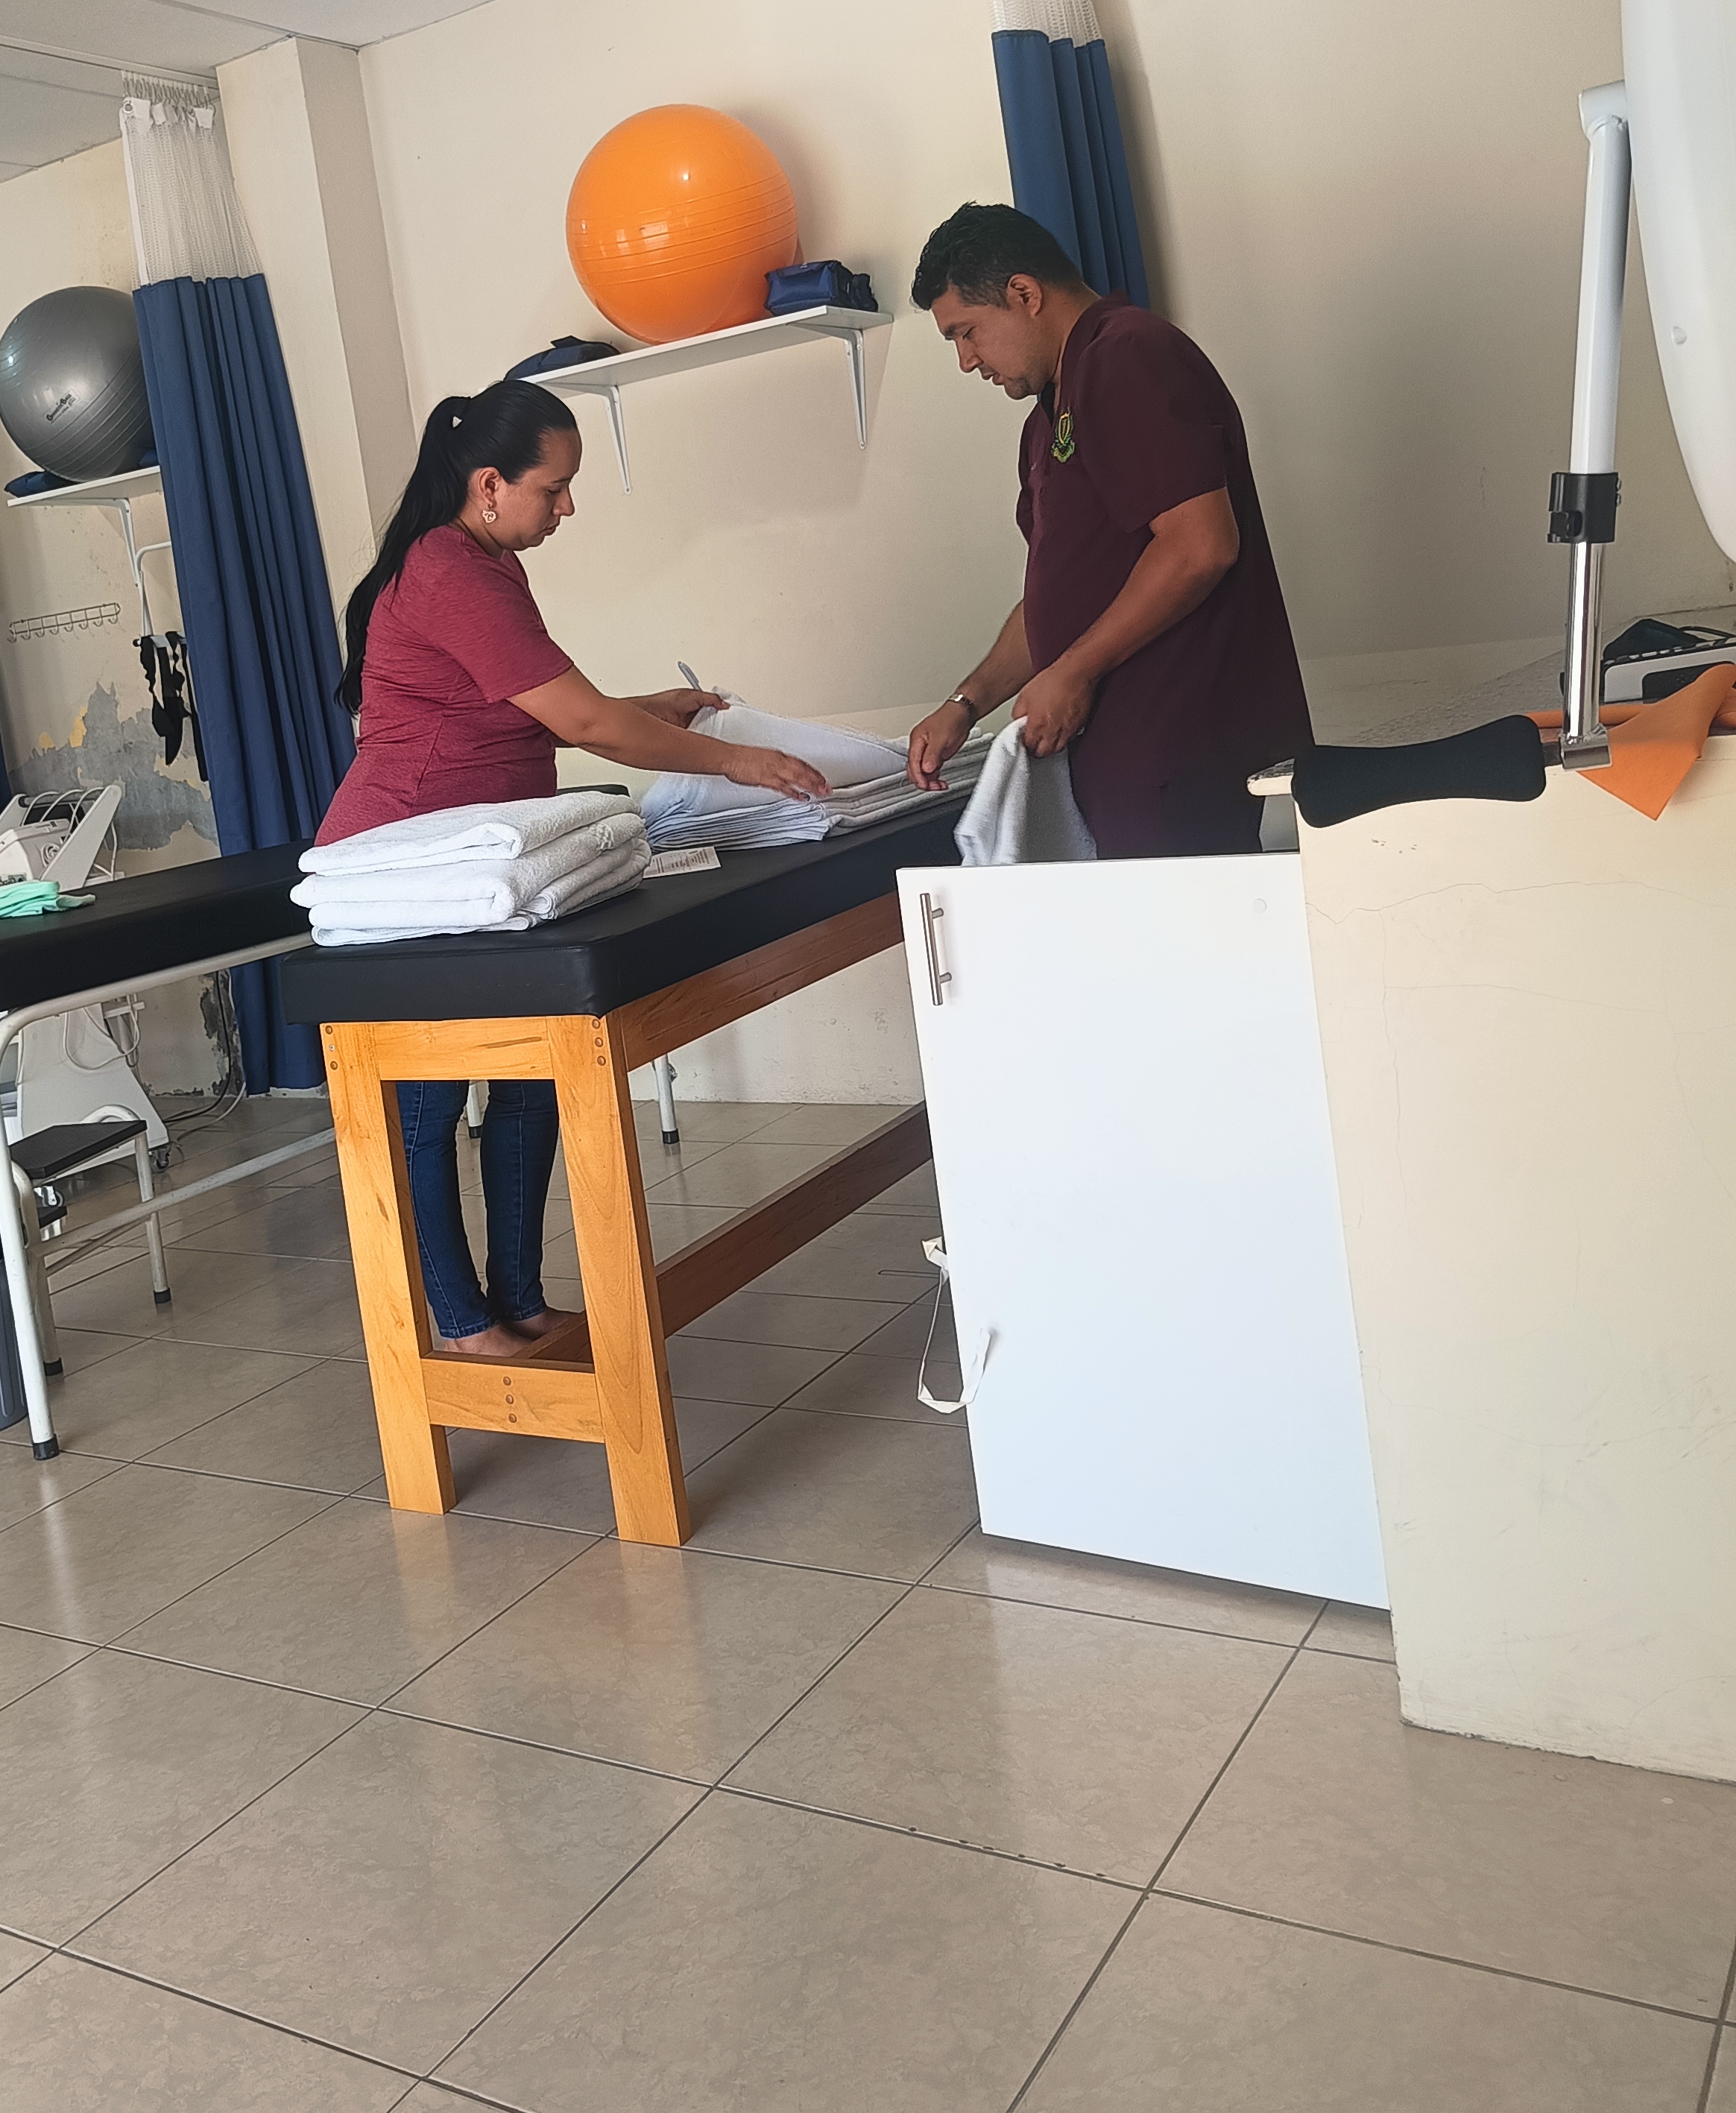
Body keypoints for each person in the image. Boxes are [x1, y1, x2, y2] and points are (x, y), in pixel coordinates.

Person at [323, 379, 826, 1365]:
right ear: (490, 485)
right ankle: (464, 1324)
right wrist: (737, 761)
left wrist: (647, 709)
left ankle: (519, 1301)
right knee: (427, 1103)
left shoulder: (488, 562)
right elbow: (584, 721)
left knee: (529, 1078)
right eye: (553, 489)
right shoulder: (447, 569)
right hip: (408, 869)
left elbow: (522, 706)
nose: (568, 507)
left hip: (486, 867)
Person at [903, 203, 1311, 856]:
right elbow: (1055, 604)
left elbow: (1201, 545)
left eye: (967, 332)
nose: (966, 361)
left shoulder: (1128, 355)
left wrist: (1074, 671)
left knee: (1183, 925)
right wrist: (967, 702)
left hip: (1176, 752)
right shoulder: (1046, 418)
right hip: (1115, 762)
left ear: (1024, 293)